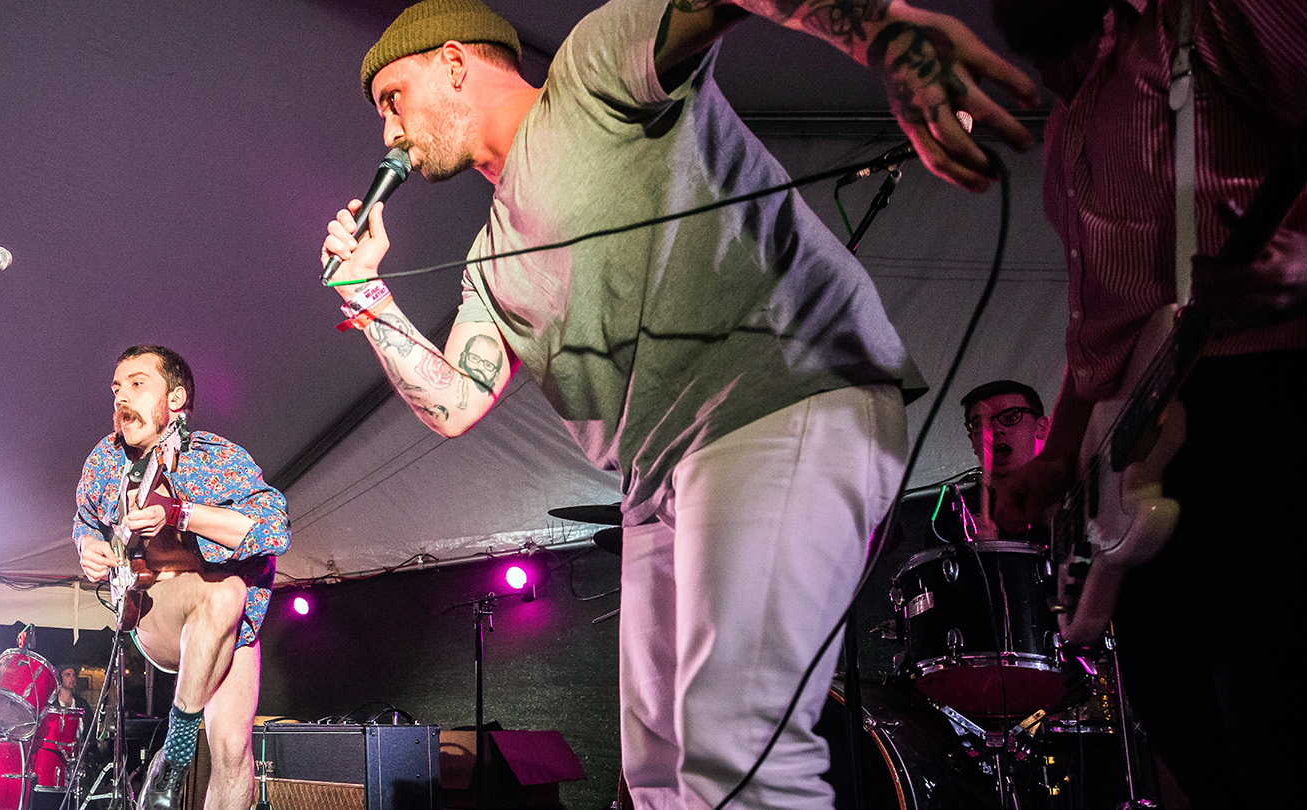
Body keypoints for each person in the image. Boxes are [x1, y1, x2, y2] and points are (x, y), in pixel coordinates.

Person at [323, 2, 1036, 807]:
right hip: (659, 481)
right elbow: (453, 403)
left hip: (781, 397)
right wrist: (369, 301)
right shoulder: (490, 258)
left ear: (454, 62)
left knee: (738, 750)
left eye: (393, 97)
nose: (389, 133)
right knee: (658, 773)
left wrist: (889, 35)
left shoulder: (589, 76)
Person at [970, 1, 1307, 807]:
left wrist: (1303, 266)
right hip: (1149, 445)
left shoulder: (1215, 19)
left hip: (1265, 404)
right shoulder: (1067, 125)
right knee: (1185, 726)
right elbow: (1106, 334)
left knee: (1273, 716)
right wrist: (1060, 456)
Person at [74, 346, 290, 810]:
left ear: (174, 399)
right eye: (116, 388)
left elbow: (274, 526)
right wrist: (87, 549)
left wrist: (179, 513)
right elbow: (85, 521)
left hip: (233, 622)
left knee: (233, 752)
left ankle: (172, 761)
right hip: (157, 606)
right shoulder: (105, 460)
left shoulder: (217, 458)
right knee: (225, 591)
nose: (120, 398)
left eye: (136, 384)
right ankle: (175, 754)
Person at [934, 379, 1051, 544]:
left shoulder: (1067, 491)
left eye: (1011, 417)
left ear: (1042, 428)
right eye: (980, 424)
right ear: (973, 441)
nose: (995, 430)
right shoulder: (952, 513)